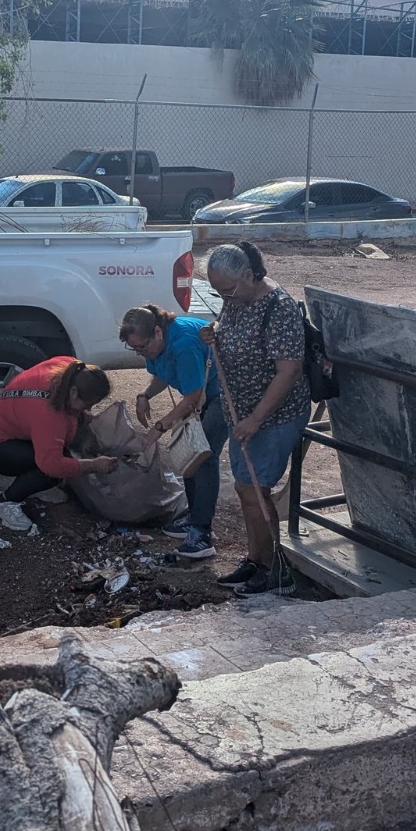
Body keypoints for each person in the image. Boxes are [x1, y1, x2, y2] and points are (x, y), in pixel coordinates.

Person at [201, 240, 310, 597]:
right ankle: (255, 560)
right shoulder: (237, 300)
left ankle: (276, 570)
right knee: (245, 489)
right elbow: (227, 326)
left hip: (273, 415)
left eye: (228, 290)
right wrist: (213, 335)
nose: (224, 298)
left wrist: (256, 420)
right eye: (219, 292)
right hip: (241, 412)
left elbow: (289, 371)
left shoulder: (278, 308)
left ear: (250, 275)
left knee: (255, 491)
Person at [120, 304, 225, 561]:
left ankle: (202, 533)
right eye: (134, 349)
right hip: (201, 397)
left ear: (157, 332)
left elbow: (192, 396)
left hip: (223, 395)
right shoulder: (155, 342)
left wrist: (159, 428)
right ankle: (193, 515)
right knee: (187, 453)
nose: (140, 353)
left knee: (203, 456)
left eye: (142, 347)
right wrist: (145, 395)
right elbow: (162, 373)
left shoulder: (184, 343)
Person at [0, 357, 119, 532]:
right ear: (73, 393)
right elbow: (52, 465)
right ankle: (4, 503)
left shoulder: (72, 368)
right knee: (53, 471)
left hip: (7, 420)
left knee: (63, 449)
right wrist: (94, 465)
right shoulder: (49, 415)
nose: (87, 409)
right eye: (87, 404)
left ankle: (33, 486)